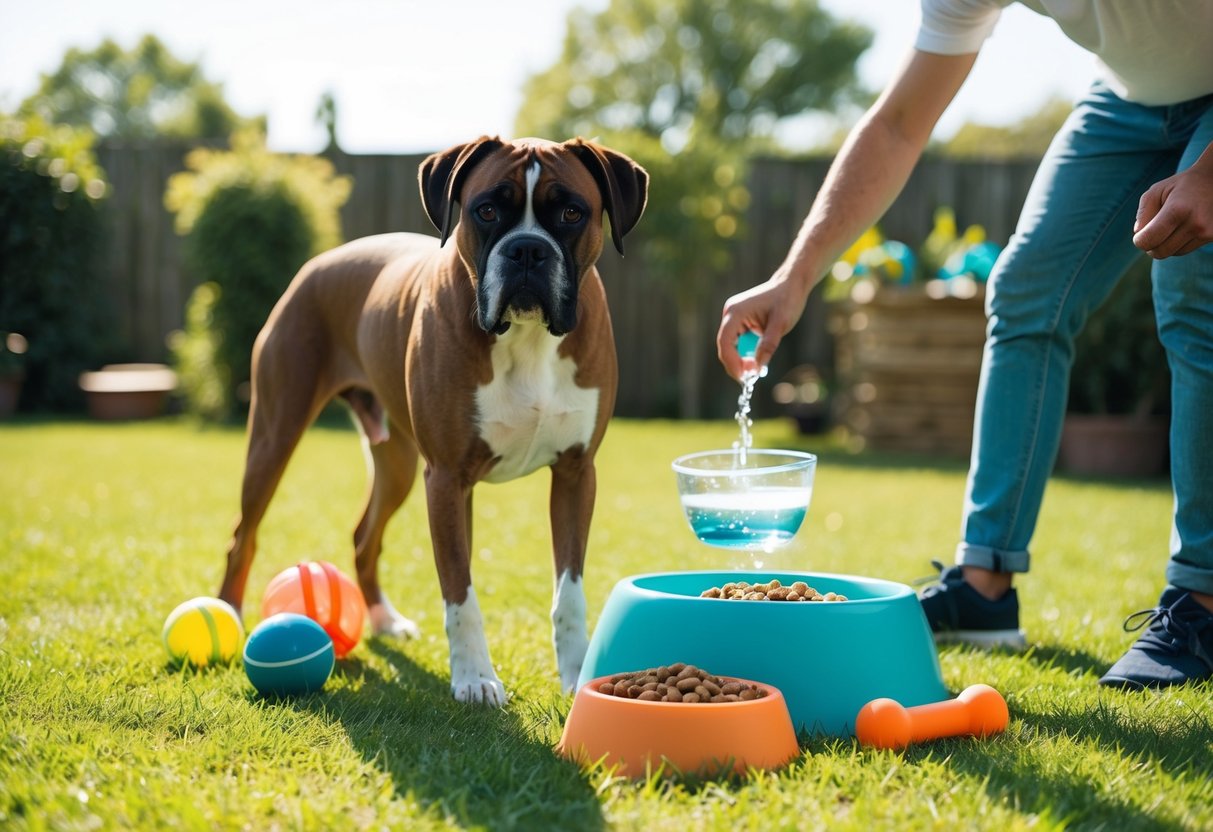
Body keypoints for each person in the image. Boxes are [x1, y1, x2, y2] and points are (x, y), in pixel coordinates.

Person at [716, 0, 1213, 689]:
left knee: (1195, 286)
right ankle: (982, 585)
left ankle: (1202, 600)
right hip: (1128, 99)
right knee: (1024, 291)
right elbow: (897, 124)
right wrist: (792, 278)